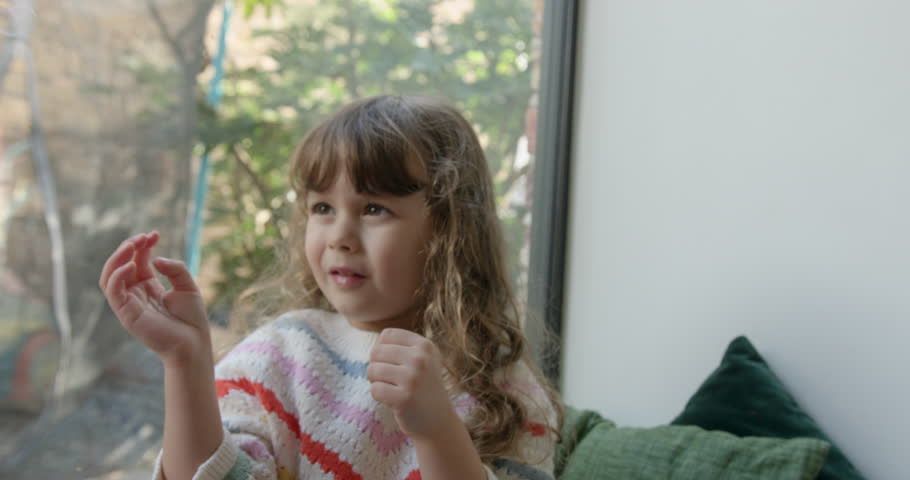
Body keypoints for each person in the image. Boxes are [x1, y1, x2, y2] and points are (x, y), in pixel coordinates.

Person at [99, 95, 561, 480]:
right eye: (322, 207)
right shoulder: (278, 355)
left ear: (449, 230)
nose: (340, 235)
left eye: (374, 208)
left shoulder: (503, 387)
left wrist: (438, 430)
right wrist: (185, 361)